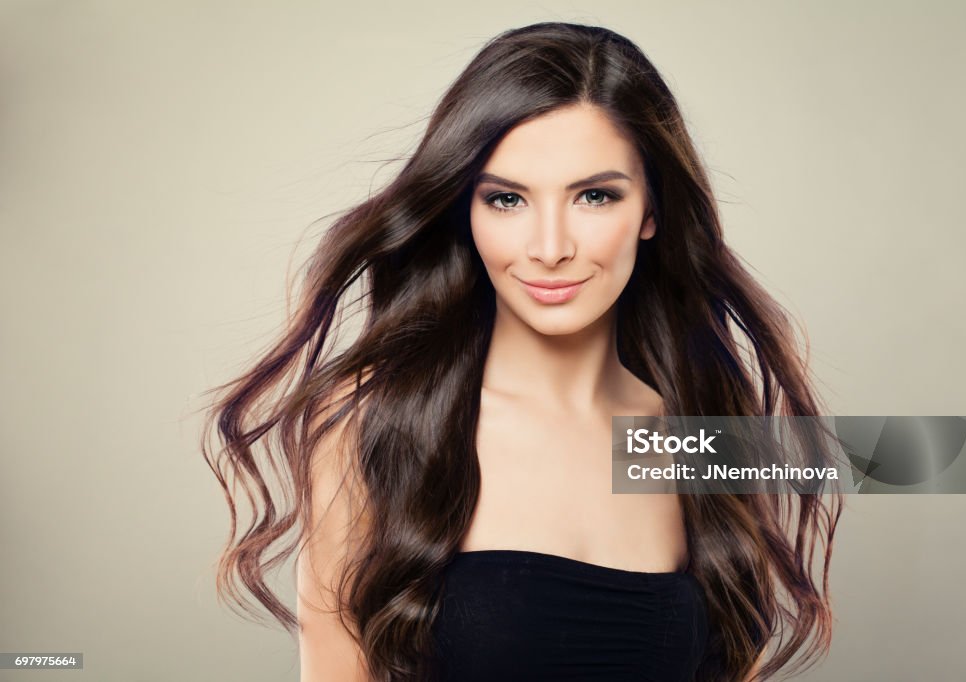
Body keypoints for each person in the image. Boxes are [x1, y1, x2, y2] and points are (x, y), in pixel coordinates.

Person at [201, 21, 843, 682]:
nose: (549, 246)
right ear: (464, 210)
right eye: (507, 199)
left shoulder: (691, 432)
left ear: (652, 210)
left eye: (595, 196)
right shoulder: (381, 419)